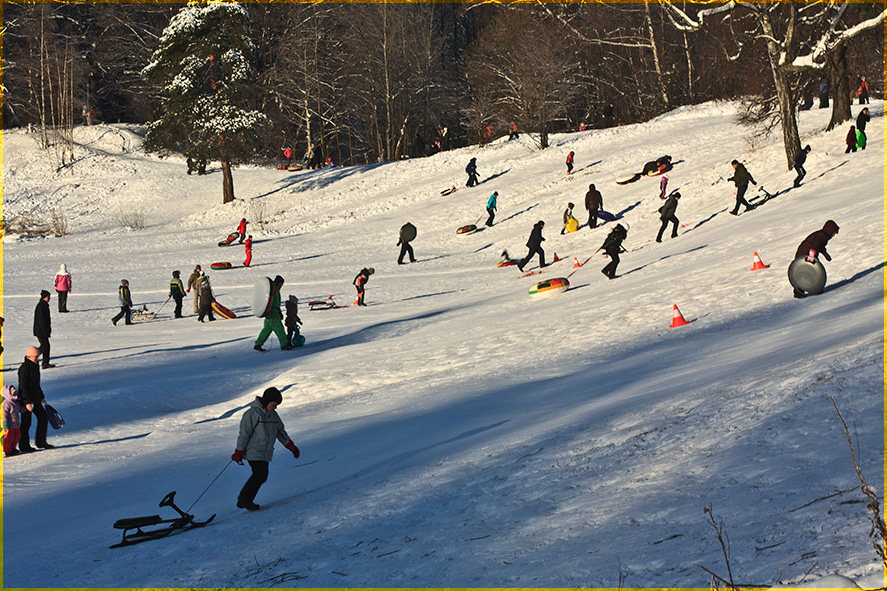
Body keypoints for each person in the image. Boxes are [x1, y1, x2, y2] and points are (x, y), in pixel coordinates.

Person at [232, 387, 300, 511]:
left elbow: (280, 432)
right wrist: (239, 451)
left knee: (262, 476)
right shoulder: (252, 414)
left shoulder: (274, 416)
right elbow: (244, 434)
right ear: (266, 401)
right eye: (274, 404)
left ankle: (243, 499)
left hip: (265, 452)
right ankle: (245, 499)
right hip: (253, 450)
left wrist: (291, 446)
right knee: (260, 474)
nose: (275, 408)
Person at [18, 346, 52, 451]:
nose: (38, 359)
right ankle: (24, 445)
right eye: (36, 357)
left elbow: (36, 384)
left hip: (36, 398)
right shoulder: (24, 369)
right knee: (26, 423)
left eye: (38, 357)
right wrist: (27, 402)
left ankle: (41, 442)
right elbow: (23, 387)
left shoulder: (34, 366)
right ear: (29, 356)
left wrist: (41, 396)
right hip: (26, 400)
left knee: (43, 418)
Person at [793, 220, 839, 298]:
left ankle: (805, 290)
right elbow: (815, 245)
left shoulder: (822, 235)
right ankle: (801, 291)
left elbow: (820, 246)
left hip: (803, 252)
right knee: (806, 271)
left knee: (807, 271)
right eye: (834, 233)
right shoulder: (822, 236)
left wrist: (825, 253)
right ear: (830, 231)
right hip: (805, 254)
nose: (833, 235)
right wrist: (811, 255)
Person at [255, 276, 292, 351]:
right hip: (272, 314)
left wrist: (279, 312)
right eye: (281, 284)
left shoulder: (273, 289)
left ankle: (258, 344)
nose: (281, 286)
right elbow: (272, 302)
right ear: (278, 283)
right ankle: (284, 345)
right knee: (279, 329)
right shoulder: (274, 290)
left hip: (271, 313)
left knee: (267, 330)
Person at [34, 290, 54, 369]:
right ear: (44, 297)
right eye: (48, 297)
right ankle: (33, 355)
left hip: (43, 330)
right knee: (45, 346)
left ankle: (45, 363)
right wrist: (45, 331)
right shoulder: (41, 306)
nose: (49, 298)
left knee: (46, 346)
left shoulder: (44, 305)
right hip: (41, 331)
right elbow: (41, 320)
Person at [2, 385, 22, 457]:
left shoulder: (16, 402)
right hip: (10, 424)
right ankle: (8, 450)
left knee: (17, 435)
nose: (14, 391)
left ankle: (13, 448)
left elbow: (19, 409)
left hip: (16, 423)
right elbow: (5, 414)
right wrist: (5, 422)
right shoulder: (7, 403)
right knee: (9, 437)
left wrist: (26, 408)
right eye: (11, 390)